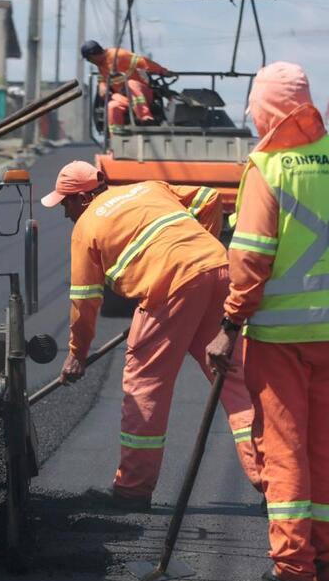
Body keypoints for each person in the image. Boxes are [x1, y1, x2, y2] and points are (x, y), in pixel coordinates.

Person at [207, 62, 329, 581]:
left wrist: (229, 324)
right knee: (325, 449)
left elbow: (250, 257)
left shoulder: (268, 166)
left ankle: (293, 572)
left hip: (281, 334)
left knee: (285, 453)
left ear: (266, 108)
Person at [44, 162, 262, 511]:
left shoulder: (87, 227)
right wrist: (200, 252)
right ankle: (274, 479)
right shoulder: (148, 187)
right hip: (217, 270)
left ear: (83, 198)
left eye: (66, 203)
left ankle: (133, 489)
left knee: (144, 385)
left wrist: (77, 355)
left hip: (171, 288)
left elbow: (84, 300)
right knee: (234, 380)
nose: (65, 213)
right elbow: (208, 199)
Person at [81, 40, 172, 136]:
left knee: (131, 84)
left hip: (143, 95)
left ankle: (145, 118)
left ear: (94, 54)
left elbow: (143, 62)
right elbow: (102, 80)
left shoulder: (119, 55)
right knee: (112, 106)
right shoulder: (101, 66)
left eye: (89, 59)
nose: (90, 62)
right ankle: (114, 142)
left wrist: (162, 71)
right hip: (126, 99)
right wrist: (102, 87)